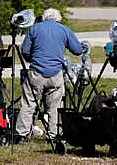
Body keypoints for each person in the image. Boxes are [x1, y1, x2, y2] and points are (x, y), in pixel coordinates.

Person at [15, 8, 82, 141]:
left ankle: (22, 134)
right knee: (55, 107)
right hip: (55, 74)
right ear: (58, 19)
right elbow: (78, 50)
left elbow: (25, 51)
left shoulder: (34, 28)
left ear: (44, 17)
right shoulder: (64, 30)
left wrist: (33, 59)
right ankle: (54, 134)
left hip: (36, 73)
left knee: (29, 104)